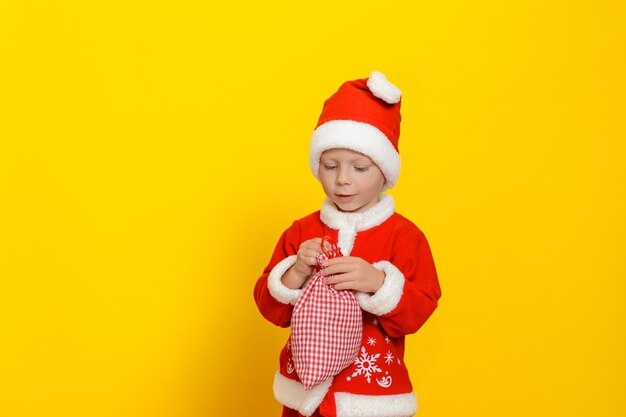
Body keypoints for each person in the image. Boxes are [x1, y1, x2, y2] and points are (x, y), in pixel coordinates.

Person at [253, 71, 442, 417]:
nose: (342, 179)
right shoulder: (302, 231)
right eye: (330, 165)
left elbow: (421, 308)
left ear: (385, 172)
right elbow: (269, 307)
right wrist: (294, 273)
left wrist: (379, 284)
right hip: (305, 398)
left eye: (359, 167)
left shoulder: (404, 236)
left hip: (371, 400)